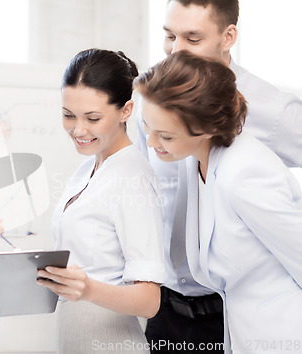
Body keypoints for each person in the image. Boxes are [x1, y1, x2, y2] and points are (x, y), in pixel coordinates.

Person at [136, 1, 302, 352]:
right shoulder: (161, 101)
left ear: (228, 37)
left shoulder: (250, 158)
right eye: (169, 36)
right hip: (179, 307)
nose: (177, 50)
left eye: (192, 38)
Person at [37, 49, 166, 354]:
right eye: (69, 115)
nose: (78, 130)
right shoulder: (88, 169)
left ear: (125, 110)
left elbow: (149, 301)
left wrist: (89, 289)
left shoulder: (133, 178)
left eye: (92, 118)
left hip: (113, 342)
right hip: (77, 336)